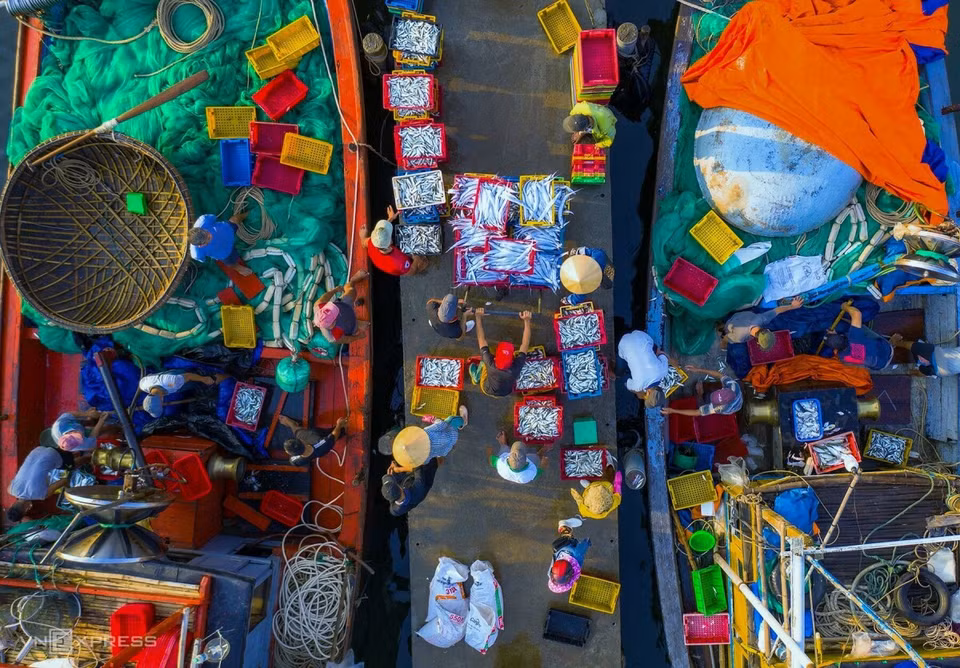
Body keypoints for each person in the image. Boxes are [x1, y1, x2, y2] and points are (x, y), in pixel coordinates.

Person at [7, 445, 87, 522]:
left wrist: (69, 489)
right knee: (62, 460)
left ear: (26, 509)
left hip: (51, 454)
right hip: (37, 450)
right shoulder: (10, 489)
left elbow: (64, 480)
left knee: (72, 465)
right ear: (12, 505)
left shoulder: (41, 495)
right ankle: (72, 453)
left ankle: (90, 457)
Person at [468, 309, 532, 397]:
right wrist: (527, 321)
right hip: (506, 392)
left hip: (487, 389)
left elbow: (481, 339)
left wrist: (478, 317)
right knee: (486, 360)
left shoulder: (490, 363)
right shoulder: (515, 367)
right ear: (511, 360)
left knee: (483, 362)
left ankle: (476, 378)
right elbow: (525, 343)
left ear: (495, 358)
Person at [391, 406, 469, 473]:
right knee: (451, 419)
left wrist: (398, 469)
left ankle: (459, 424)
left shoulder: (424, 458)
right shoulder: (426, 432)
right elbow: (441, 424)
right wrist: (433, 419)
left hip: (446, 448)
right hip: (450, 433)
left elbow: (417, 467)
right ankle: (463, 421)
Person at [821, 303, 894, 370]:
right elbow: (856, 313)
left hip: (879, 365)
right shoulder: (854, 337)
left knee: (863, 347)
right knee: (857, 328)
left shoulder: (843, 357)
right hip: (887, 349)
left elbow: (836, 352)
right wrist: (845, 307)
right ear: (841, 335)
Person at [360, 206, 427, 276]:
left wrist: (390, 218)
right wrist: (416, 260)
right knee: (421, 262)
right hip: (399, 266)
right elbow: (411, 272)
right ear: (390, 242)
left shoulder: (373, 242)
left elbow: (363, 243)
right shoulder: (400, 262)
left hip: (383, 260)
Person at [314, 270, 370, 345]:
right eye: (334, 313)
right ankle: (358, 322)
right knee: (359, 328)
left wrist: (335, 290)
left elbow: (325, 296)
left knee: (351, 290)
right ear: (331, 326)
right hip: (349, 324)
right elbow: (346, 339)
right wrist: (358, 337)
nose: (333, 309)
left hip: (343, 305)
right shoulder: (333, 336)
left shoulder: (318, 305)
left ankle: (353, 281)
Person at [661, 368, 743, 416]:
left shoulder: (720, 408)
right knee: (717, 383)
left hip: (733, 407)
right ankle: (702, 390)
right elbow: (719, 375)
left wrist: (673, 411)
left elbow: (698, 412)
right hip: (735, 394)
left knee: (703, 403)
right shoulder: (733, 385)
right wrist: (698, 369)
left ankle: (700, 394)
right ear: (723, 389)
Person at [139, 371, 223, 418]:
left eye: (161, 405)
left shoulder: (172, 383)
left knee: (213, 381)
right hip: (172, 378)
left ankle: (226, 376)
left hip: (185, 374)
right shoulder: (143, 385)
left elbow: (189, 376)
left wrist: (203, 379)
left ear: (161, 399)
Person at [723, 297, 804, 345]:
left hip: (735, 317)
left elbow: (777, 310)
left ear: (768, 330)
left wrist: (792, 306)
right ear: (757, 342)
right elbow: (727, 338)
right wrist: (723, 345)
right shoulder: (740, 338)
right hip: (731, 326)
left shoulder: (760, 319)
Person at [618, 330, 671, 400]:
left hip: (640, 335)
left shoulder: (664, 371)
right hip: (623, 343)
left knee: (655, 352)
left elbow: (661, 354)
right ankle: (614, 371)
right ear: (648, 393)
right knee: (621, 375)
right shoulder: (638, 386)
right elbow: (627, 383)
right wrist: (638, 393)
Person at [279, 415, 348, 465]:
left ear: (290, 453)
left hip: (310, 450)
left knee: (298, 432)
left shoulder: (295, 462)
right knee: (299, 432)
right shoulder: (322, 444)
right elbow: (334, 436)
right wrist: (339, 424)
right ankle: (292, 424)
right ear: (302, 440)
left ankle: (292, 425)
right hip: (317, 440)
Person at [548, 517, 591, 593]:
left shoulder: (577, 554)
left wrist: (587, 542)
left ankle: (565, 524)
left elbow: (583, 546)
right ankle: (563, 528)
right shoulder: (550, 574)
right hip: (559, 547)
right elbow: (553, 559)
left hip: (569, 545)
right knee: (565, 537)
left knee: (569, 536)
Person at [890, 334, 960, 377]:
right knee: (924, 372)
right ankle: (911, 372)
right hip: (939, 371)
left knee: (914, 346)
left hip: (934, 354)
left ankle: (896, 343)